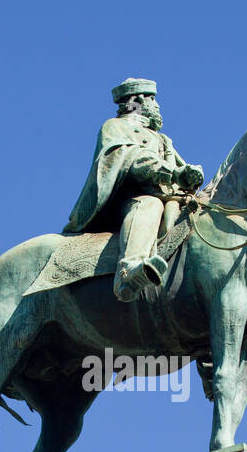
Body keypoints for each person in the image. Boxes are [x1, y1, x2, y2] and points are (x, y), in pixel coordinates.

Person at [62, 77, 204, 301]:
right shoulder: (116, 127)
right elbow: (132, 159)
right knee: (148, 204)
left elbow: (178, 167)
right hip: (126, 199)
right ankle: (127, 273)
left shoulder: (163, 139)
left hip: (170, 198)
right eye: (153, 101)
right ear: (138, 100)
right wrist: (173, 174)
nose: (158, 106)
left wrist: (189, 176)